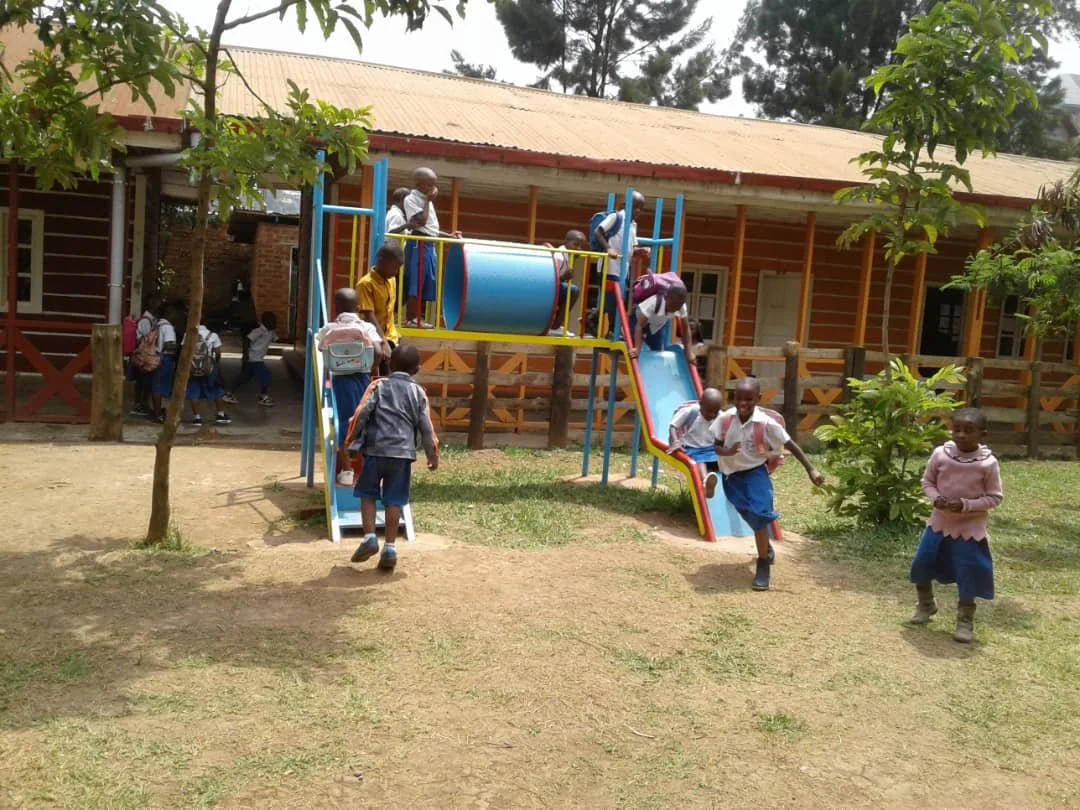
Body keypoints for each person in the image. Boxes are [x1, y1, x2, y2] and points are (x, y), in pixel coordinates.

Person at [713, 377, 825, 591]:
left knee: (760, 512)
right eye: (739, 398)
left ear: (758, 399)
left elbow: (790, 445)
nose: (743, 403)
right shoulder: (725, 419)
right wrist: (726, 451)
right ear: (733, 398)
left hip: (756, 473)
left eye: (749, 399)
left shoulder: (766, 424)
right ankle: (766, 546)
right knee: (749, 515)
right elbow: (715, 445)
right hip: (732, 476)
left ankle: (763, 564)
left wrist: (811, 469)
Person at [909, 408, 1003, 643]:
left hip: (969, 530)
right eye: (956, 430)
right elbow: (927, 481)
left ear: (983, 435)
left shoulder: (987, 464)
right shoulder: (941, 455)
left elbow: (994, 497)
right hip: (938, 525)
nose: (961, 435)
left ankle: (965, 620)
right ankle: (926, 604)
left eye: (968, 431)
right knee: (922, 565)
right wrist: (935, 498)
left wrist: (965, 505)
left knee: (967, 573)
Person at [346, 344, 439, 572]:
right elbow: (426, 427)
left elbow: (362, 413)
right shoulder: (419, 393)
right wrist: (432, 454)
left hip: (376, 451)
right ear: (417, 369)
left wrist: (352, 439)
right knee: (394, 499)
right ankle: (389, 547)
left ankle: (369, 537)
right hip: (402, 455)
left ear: (390, 364)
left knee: (367, 494)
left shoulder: (378, 386)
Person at [316, 288, 387, 486]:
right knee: (365, 422)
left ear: (336, 307)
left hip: (339, 382)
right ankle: (367, 470)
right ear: (357, 308)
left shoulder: (328, 328)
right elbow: (380, 352)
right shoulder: (366, 327)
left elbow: (320, 347)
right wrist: (371, 366)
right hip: (362, 381)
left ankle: (347, 470)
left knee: (341, 424)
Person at [403, 167, 461, 328]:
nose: (433, 188)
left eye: (434, 184)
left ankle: (418, 318)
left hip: (429, 243)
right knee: (417, 281)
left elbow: (431, 228)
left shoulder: (426, 199)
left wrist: (449, 236)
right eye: (429, 184)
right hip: (418, 243)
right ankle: (410, 318)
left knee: (425, 281)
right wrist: (428, 201)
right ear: (419, 184)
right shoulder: (411, 199)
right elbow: (420, 222)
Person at [593, 190, 649, 335]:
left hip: (622, 268)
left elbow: (631, 247)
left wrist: (640, 251)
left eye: (640, 208)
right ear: (625, 205)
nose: (638, 211)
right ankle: (611, 329)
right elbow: (598, 232)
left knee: (617, 298)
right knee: (613, 299)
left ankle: (593, 318)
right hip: (608, 266)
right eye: (635, 206)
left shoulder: (633, 225)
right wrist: (608, 248)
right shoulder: (616, 217)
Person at [668, 388, 725, 498]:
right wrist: (676, 442)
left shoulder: (720, 416)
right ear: (701, 404)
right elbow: (673, 426)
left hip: (710, 448)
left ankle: (729, 482)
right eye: (709, 411)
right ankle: (705, 481)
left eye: (715, 411)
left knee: (723, 459)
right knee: (699, 461)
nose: (712, 415)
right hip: (691, 447)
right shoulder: (690, 412)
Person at [357, 241, 403, 376]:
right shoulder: (366, 284)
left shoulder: (391, 280)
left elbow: (389, 310)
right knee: (384, 372)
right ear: (381, 261)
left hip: (390, 335)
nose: (396, 272)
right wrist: (383, 343)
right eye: (394, 267)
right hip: (374, 336)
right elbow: (369, 316)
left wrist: (394, 332)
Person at [628, 280, 693, 367]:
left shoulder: (681, 306)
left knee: (657, 352)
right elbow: (639, 325)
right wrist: (637, 349)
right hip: (637, 321)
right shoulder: (653, 303)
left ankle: (653, 371)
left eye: (677, 307)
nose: (674, 309)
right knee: (636, 348)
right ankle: (640, 362)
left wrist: (688, 351)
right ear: (665, 298)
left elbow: (685, 327)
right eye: (672, 306)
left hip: (657, 326)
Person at [224, 312, 277, 406]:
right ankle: (263, 397)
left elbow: (276, 339)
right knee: (266, 377)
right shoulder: (258, 331)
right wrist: (245, 356)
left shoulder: (271, 332)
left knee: (244, 378)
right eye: (272, 321)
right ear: (265, 322)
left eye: (275, 321)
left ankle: (229, 394)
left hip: (257, 358)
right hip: (254, 358)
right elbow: (247, 340)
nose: (275, 323)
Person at [184, 323, 231, 426]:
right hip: (208, 366)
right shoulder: (213, 335)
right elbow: (218, 353)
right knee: (215, 389)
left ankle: (197, 418)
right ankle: (220, 414)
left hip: (192, 366)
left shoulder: (188, 334)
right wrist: (214, 364)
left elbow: (184, 350)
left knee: (193, 390)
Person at [548, 230, 588, 336]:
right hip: (547, 290)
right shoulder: (559, 257)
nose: (578, 249)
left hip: (554, 289)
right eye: (575, 245)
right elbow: (548, 282)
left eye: (581, 246)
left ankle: (556, 325)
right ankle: (555, 326)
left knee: (570, 291)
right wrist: (562, 278)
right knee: (573, 291)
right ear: (566, 242)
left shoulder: (568, 256)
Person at [127, 294, 160, 416]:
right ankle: (138, 404)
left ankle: (142, 404)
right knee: (141, 381)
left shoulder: (151, 319)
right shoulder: (146, 320)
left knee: (145, 381)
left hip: (144, 354)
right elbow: (148, 339)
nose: (158, 305)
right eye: (157, 302)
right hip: (142, 355)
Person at [150, 301, 179, 423]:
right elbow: (169, 345)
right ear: (167, 313)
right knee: (161, 387)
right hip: (164, 358)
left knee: (156, 385)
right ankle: (158, 414)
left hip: (155, 357)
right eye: (173, 312)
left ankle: (157, 412)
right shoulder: (168, 327)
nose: (175, 315)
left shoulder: (157, 324)